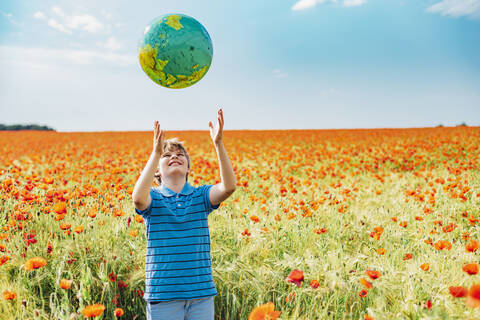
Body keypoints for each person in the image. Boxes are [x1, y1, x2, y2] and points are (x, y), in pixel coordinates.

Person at [132, 108, 236, 320]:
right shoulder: (153, 198)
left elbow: (229, 187)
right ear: (157, 171)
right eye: (167, 155)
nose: (174, 157)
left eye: (180, 155)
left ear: (188, 168)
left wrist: (218, 144)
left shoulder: (200, 196)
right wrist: (155, 153)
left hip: (201, 296)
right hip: (163, 296)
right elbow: (138, 199)